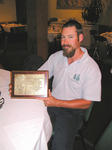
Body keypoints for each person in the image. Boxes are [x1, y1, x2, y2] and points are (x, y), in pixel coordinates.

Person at [38, 19, 101, 150]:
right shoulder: (56, 57)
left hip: (72, 111)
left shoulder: (91, 68)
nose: (65, 42)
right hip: (51, 103)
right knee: (29, 125)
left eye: (70, 37)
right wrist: (19, 84)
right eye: (63, 37)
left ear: (80, 38)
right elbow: (39, 76)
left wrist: (56, 102)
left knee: (60, 146)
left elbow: (86, 102)